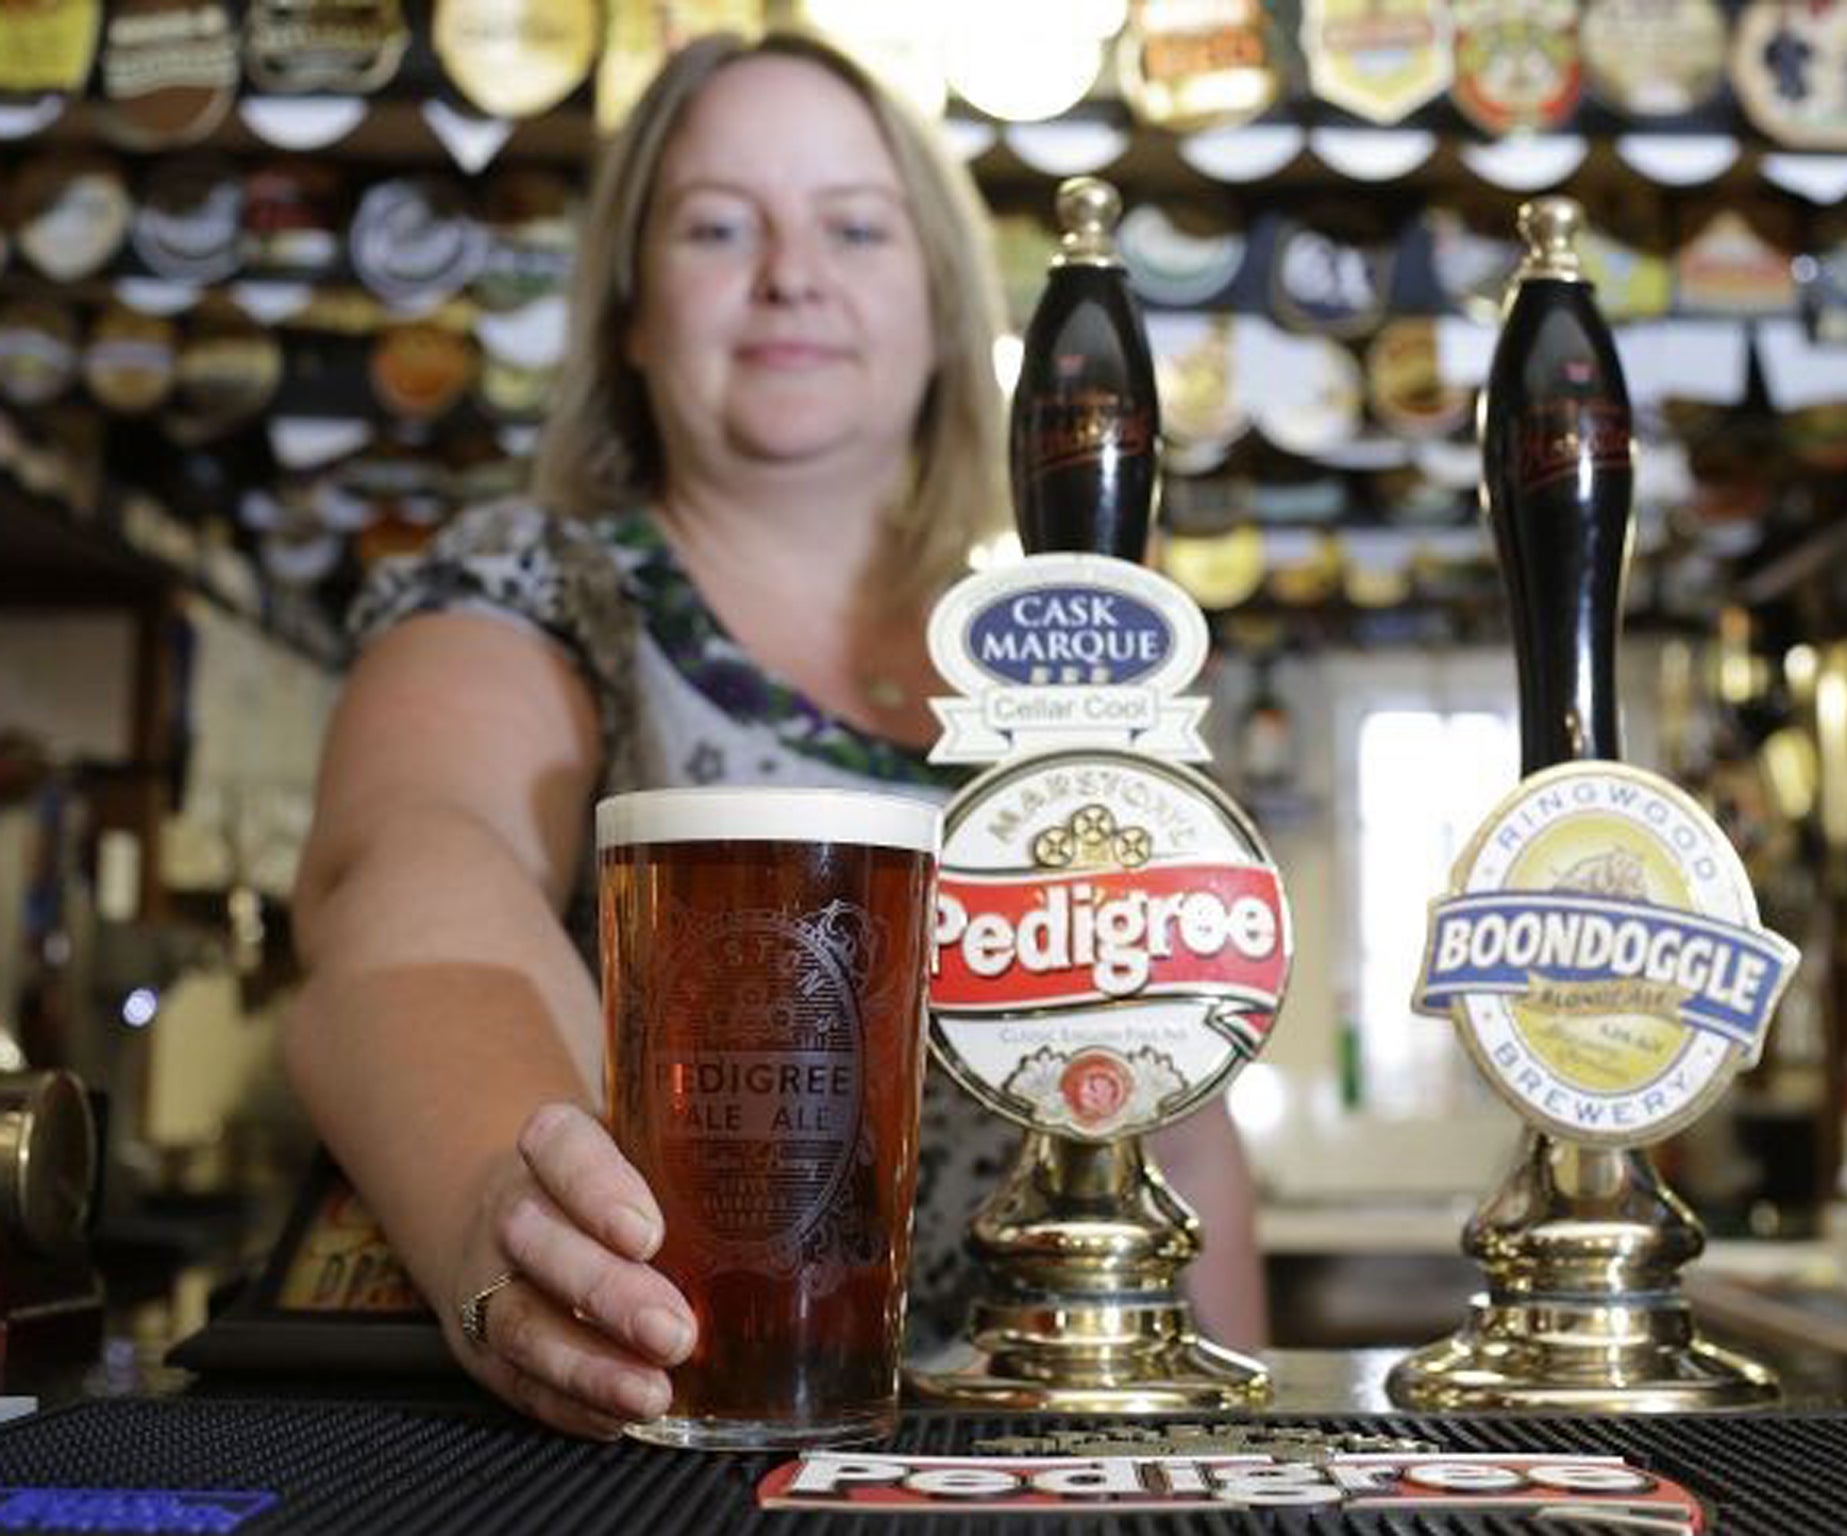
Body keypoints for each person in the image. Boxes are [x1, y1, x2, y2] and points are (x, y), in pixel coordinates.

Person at [284, 29, 1267, 1442]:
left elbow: (1183, 1118)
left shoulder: (1074, 676)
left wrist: (1222, 1455)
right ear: (628, 313)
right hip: (651, 1428)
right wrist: (516, 1209)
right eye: (717, 226)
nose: (790, 274)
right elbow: (409, 879)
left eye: (854, 227)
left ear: (939, 305)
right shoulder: (535, 589)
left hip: (1027, 1458)